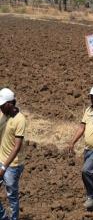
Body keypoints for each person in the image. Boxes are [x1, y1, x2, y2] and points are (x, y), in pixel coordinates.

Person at [0, 88, 26, 220]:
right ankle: (3, 217)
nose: (0, 107)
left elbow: (17, 147)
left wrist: (4, 167)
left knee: (12, 196)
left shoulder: (19, 119)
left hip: (13, 165)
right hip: (1, 160)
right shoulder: (2, 114)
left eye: (2, 105)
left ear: (10, 103)